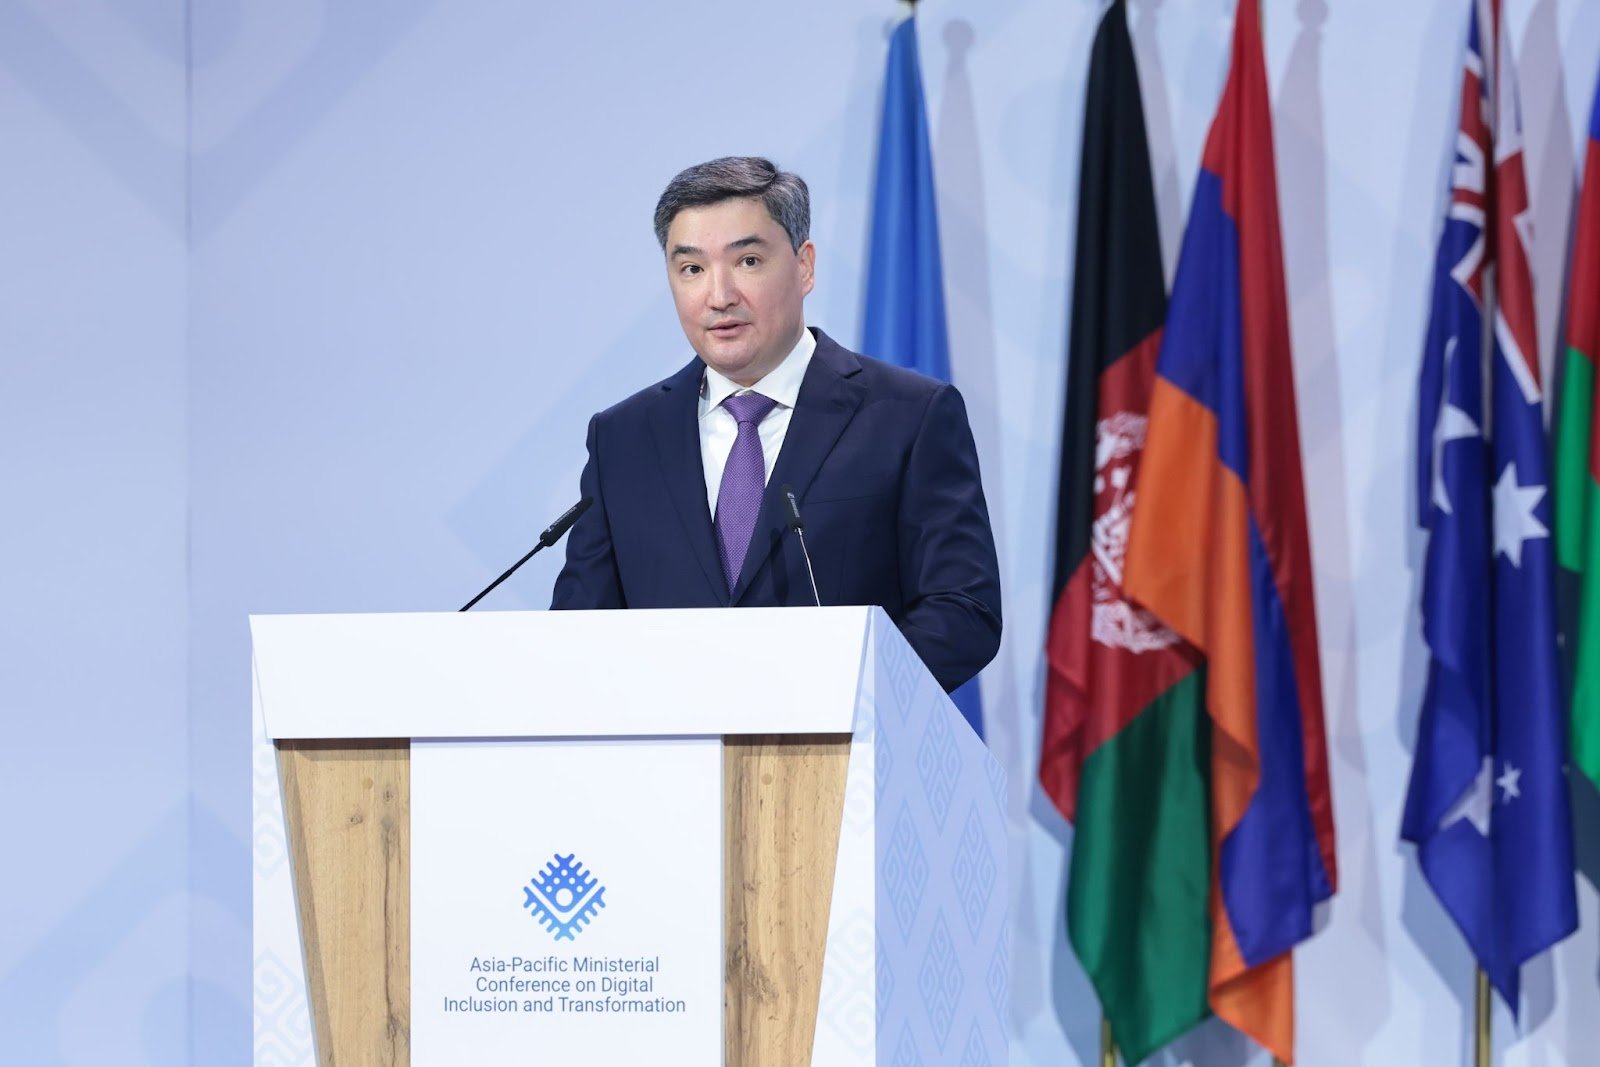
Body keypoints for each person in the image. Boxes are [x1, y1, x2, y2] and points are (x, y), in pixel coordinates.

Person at [550, 156, 1000, 693]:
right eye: (691, 269)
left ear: (804, 266)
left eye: (747, 261)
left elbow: (962, 610)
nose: (719, 296)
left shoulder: (909, 415)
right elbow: (578, 632)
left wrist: (829, 695)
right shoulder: (623, 439)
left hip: (839, 737)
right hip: (670, 742)